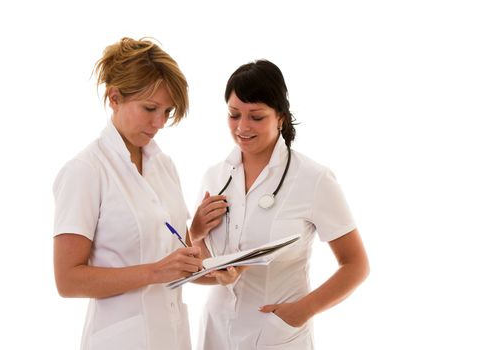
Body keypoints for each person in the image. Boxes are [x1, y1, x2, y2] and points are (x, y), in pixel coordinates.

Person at [189, 59, 370, 349]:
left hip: (277, 332)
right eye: (234, 115)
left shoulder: (314, 179)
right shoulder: (215, 176)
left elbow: (356, 265)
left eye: (256, 117)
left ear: (281, 117)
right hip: (217, 328)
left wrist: (301, 312)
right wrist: (195, 233)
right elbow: (196, 260)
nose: (242, 127)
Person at [52, 37, 202, 350]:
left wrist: (217, 272)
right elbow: (68, 280)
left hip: (173, 337)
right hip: (120, 340)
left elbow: (179, 255)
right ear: (115, 98)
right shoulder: (86, 170)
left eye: (167, 111)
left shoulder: (164, 166)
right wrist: (154, 272)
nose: (159, 122)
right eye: (150, 108)